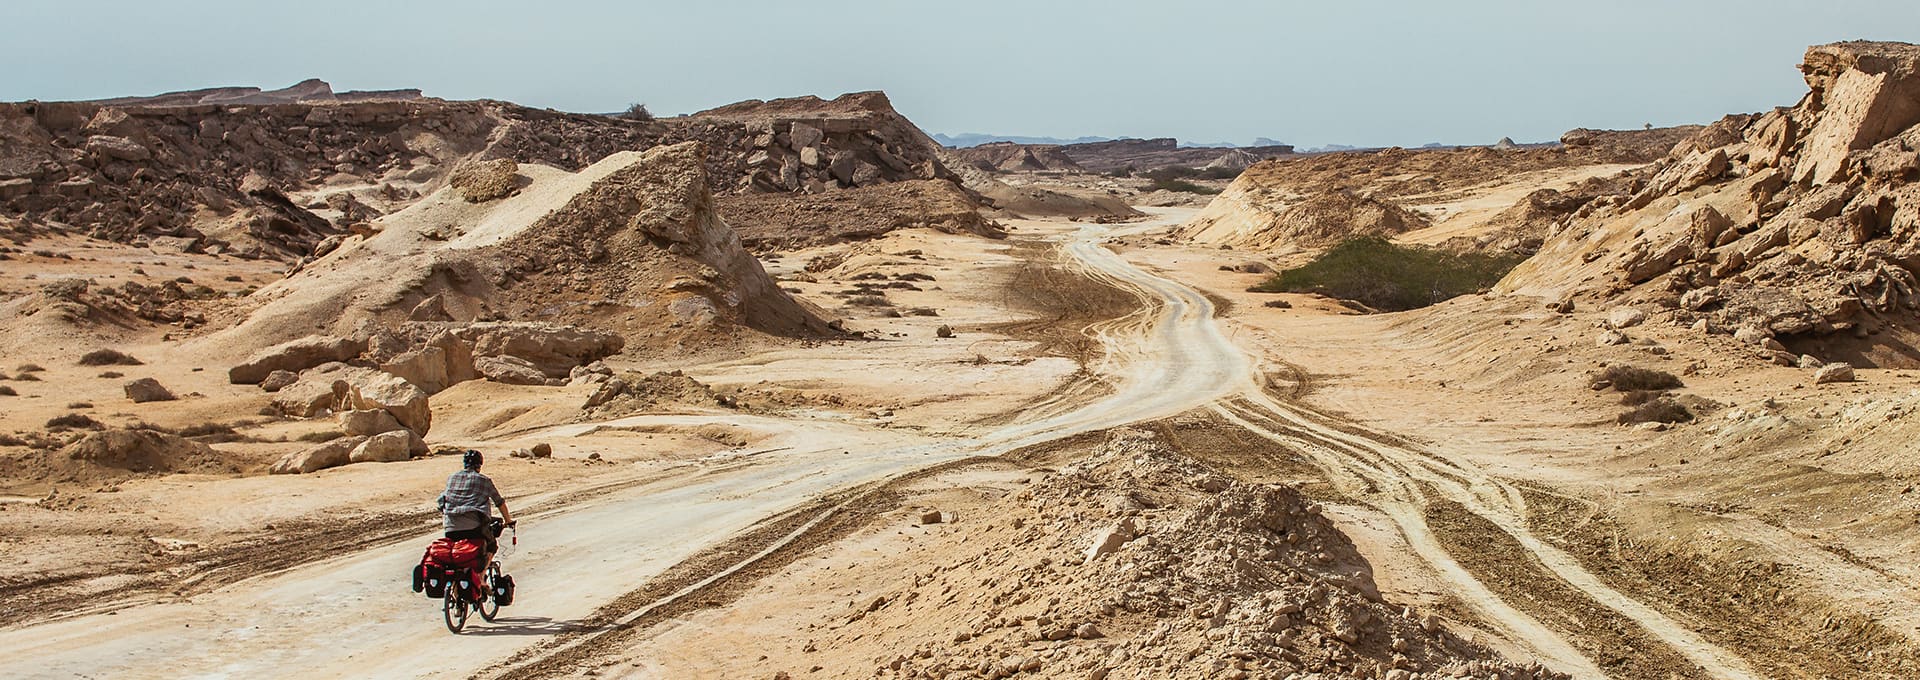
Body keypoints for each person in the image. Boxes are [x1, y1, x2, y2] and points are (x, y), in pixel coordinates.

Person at [436, 450, 514, 574]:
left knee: (455, 557)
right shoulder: (484, 481)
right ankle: (481, 577)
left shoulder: (452, 478)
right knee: (491, 546)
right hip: (474, 528)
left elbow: (441, 502)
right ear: (480, 465)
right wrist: (508, 521)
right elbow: (499, 502)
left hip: (450, 527)